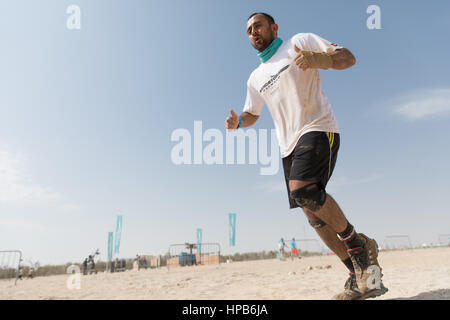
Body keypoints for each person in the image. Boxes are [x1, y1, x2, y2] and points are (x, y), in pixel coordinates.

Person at [225, 12, 387, 300]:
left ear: (273, 27)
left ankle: (359, 247)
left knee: (305, 190)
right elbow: (252, 112)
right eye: (249, 30)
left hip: (318, 128)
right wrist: (239, 122)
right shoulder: (255, 77)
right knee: (312, 215)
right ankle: (360, 276)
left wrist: (318, 60)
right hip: (287, 146)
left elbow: (348, 58)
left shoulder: (299, 43)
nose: (253, 32)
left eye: (258, 25)